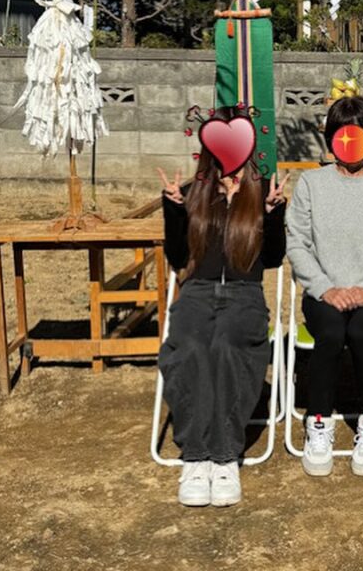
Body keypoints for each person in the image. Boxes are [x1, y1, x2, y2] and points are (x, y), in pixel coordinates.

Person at [157, 106, 287, 508]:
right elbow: (178, 258)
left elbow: (273, 259)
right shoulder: (194, 191)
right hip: (197, 291)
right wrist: (174, 210)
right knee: (190, 346)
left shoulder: (261, 191)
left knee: (229, 346)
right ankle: (196, 456)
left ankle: (226, 455)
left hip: (245, 294)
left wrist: (273, 214)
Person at [285, 94, 363, 477]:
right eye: (341, 134)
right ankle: (318, 421)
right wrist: (325, 288)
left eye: (358, 133)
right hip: (324, 292)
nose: (349, 142)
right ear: (331, 139)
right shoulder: (311, 183)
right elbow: (297, 242)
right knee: (328, 332)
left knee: (360, 331)